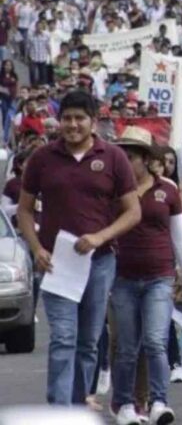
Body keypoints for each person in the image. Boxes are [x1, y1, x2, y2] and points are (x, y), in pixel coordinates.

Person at [18, 91, 142, 405]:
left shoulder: (113, 157)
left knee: (88, 341)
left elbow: (133, 212)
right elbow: (24, 210)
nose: (72, 125)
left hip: (98, 262)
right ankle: (60, 410)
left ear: (93, 122)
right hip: (56, 263)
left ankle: (77, 404)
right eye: (67, 119)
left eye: (79, 119)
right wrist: (36, 248)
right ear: (59, 121)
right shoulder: (42, 158)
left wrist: (101, 237)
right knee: (62, 338)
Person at [111, 127, 182, 425]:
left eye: (129, 156)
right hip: (122, 277)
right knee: (127, 347)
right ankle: (125, 405)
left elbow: (179, 236)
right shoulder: (113, 190)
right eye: (121, 155)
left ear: (145, 159)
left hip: (160, 276)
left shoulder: (167, 190)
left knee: (156, 341)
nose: (124, 161)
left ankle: (159, 402)